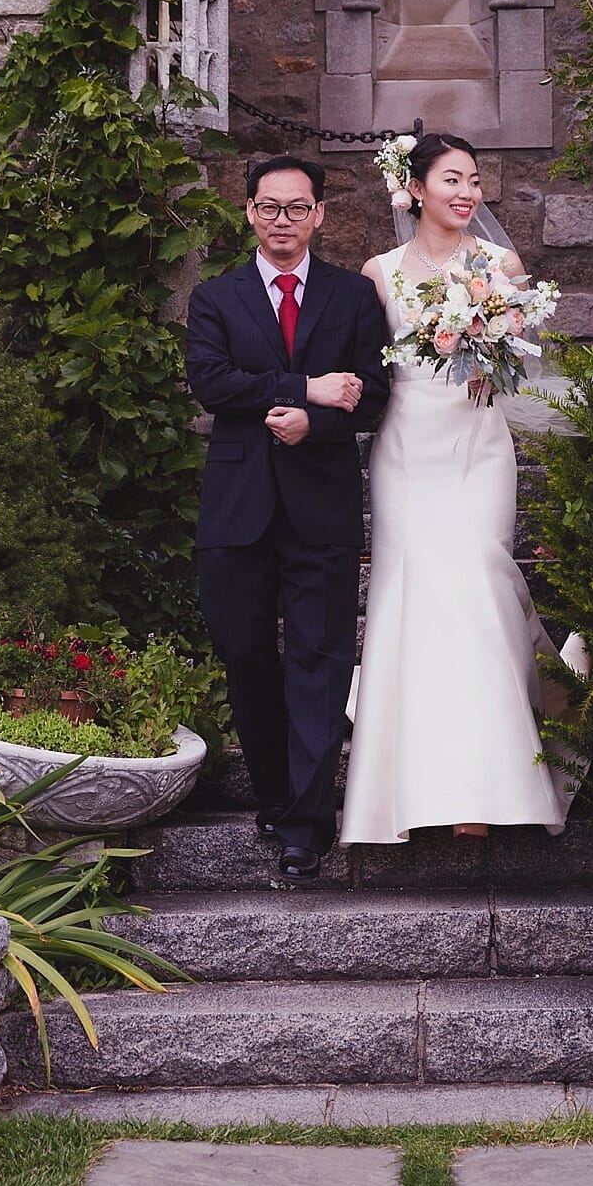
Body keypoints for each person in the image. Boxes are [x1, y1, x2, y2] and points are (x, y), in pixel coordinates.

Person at [340, 132, 580, 845]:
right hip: (407, 453)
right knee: (410, 596)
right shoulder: (378, 273)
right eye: (452, 178)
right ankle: (407, 789)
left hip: (477, 447)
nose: (467, 192)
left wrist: (487, 348)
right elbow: (370, 372)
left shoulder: (498, 265)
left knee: (479, 581)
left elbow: (520, 359)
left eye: (475, 179)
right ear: (414, 188)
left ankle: (488, 783)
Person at [186, 155, 390, 881]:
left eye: (296, 208)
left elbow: (372, 395)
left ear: (319, 215)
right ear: (248, 212)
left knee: (319, 659)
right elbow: (211, 381)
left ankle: (307, 821)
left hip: (321, 504)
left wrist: (318, 425)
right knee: (246, 656)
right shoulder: (216, 298)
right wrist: (304, 388)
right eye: (270, 208)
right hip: (237, 511)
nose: (282, 221)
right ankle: (275, 797)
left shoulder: (353, 298)